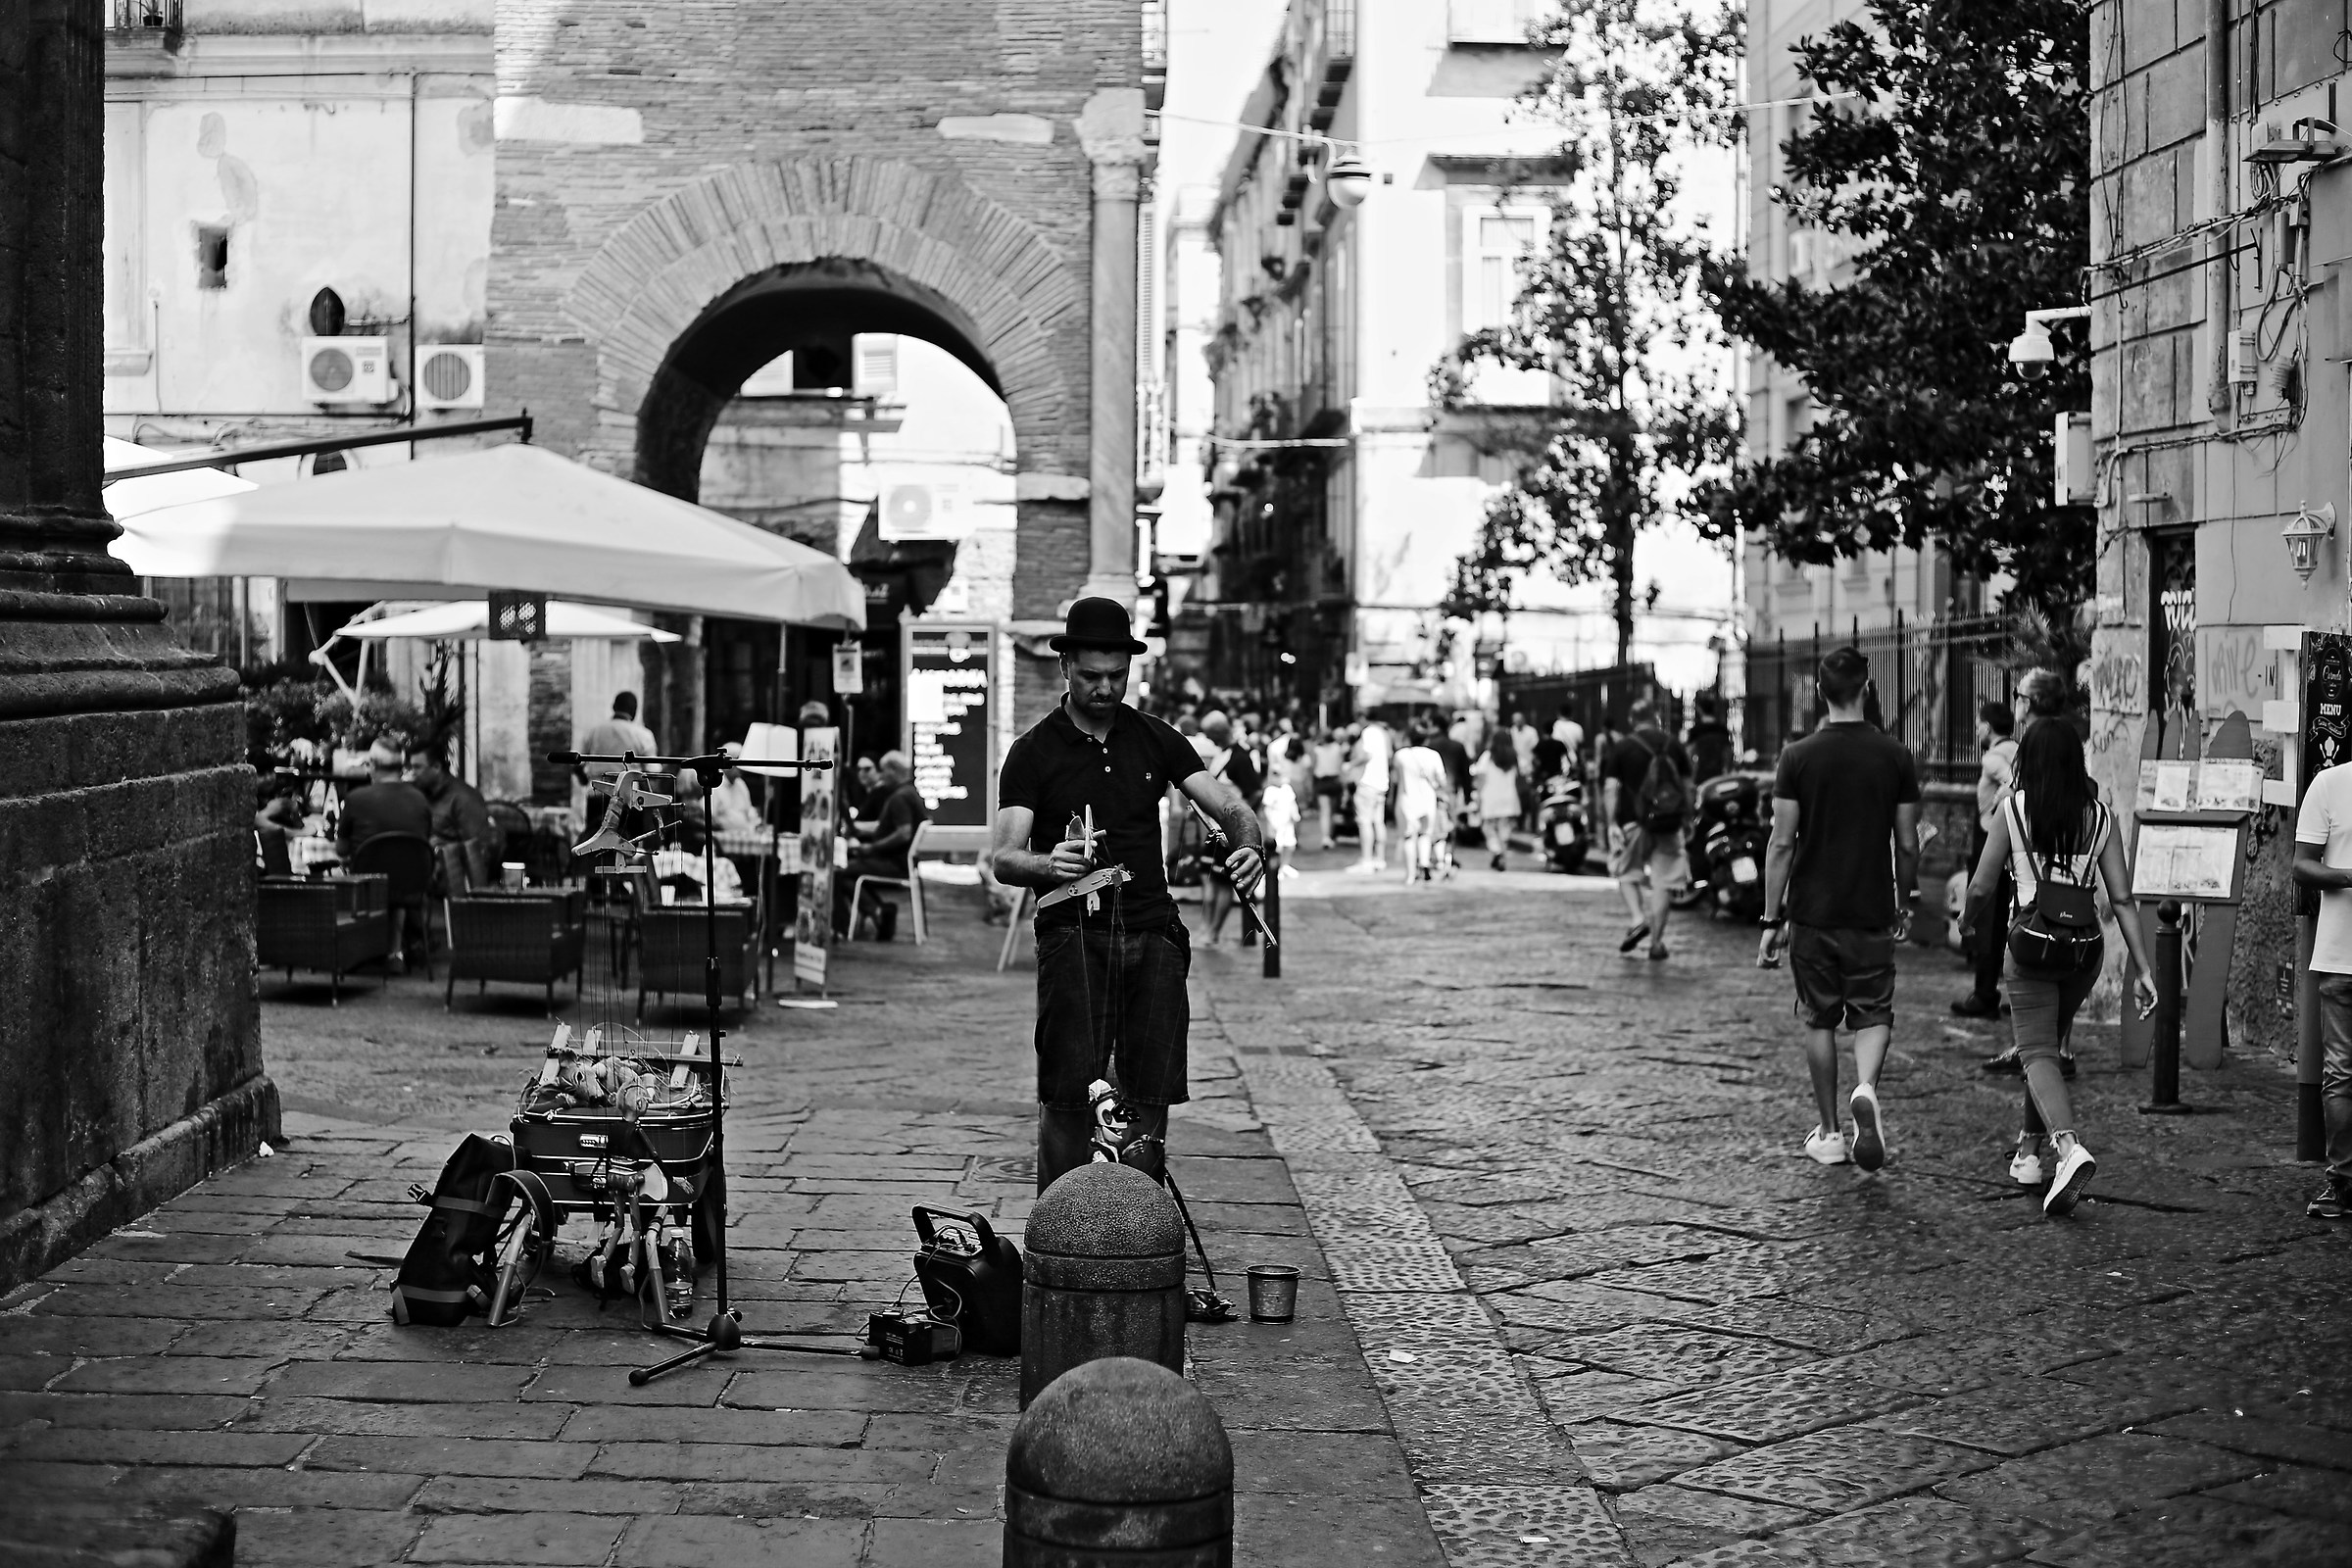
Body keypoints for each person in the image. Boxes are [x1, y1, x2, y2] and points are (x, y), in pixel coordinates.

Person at [989, 597, 1263, 1193]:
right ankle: (1057, 1241)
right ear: (1065, 667)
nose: (1105, 688)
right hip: (1072, 938)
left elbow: (1232, 806)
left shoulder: (1156, 738)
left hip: (1154, 934)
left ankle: (1137, 1239)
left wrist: (1248, 846)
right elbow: (1004, 858)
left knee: (1149, 1098)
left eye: (1117, 676)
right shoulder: (1033, 751)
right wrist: (1046, 863)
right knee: (1065, 1097)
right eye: (1091, 676)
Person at [1966, 719, 2156, 1216]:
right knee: (2046, 1045)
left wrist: (1966, 920)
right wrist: (2143, 969)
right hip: (2083, 951)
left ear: (2026, 760)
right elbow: (2121, 897)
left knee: (2034, 1051)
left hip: (2031, 946)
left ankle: (2068, 1149)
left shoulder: (2012, 811)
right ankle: (2028, 1154)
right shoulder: (2101, 816)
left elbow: (1984, 887)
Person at [1757, 648, 1921, 1171]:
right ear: (1867, 686)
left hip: (1813, 911)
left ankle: (1829, 1133)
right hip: (1871, 906)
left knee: (1819, 1019)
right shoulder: (1894, 754)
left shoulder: (1797, 756)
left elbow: (1781, 844)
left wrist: (1770, 919)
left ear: (1822, 694)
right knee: (1873, 1010)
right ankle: (1866, 1088)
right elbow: (1908, 842)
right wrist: (1904, 901)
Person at [1982, 668, 2078, 1073]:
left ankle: (2040, 1049)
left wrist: (2004, 803)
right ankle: (2051, 1047)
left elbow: (2023, 801)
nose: (2015, 701)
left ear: (2031, 703)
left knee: (2030, 952)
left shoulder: (2036, 748)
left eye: (2019, 694)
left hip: (2036, 866)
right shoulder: (2063, 742)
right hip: (2058, 867)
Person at [2294, 750, 2352, 1221]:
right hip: (2340, 956)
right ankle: (2342, 1180)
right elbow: (2301, 864)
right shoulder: (2329, 784)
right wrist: (2350, 876)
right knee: (2341, 1073)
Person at [1601, 698, 1690, 961]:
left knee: (1626, 871)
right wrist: (1686, 818)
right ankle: (1656, 943)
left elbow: (1610, 788)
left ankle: (1638, 918)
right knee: (1664, 881)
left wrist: (1611, 823)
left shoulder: (1623, 747)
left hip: (1634, 822)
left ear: (1632, 720)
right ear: (1656, 718)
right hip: (1669, 821)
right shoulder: (1672, 744)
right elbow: (1687, 785)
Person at [1952, 701, 2020, 1018]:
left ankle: (1984, 993)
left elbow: (2014, 784)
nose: (1977, 729)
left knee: (1986, 916)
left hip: (1992, 838)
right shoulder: (2017, 748)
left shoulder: (1994, 756)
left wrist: (1993, 807)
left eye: (1979, 723)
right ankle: (1994, 990)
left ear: (1988, 727)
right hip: (2014, 840)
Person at [337, 740, 434, 964]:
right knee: (398, 871)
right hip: (411, 887)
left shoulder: (356, 799)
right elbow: (423, 842)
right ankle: (394, 950)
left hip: (366, 885)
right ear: (402, 767)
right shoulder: (420, 800)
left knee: (364, 873)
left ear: (372, 765)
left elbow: (341, 849)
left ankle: (354, 947)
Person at [836, 751, 927, 940]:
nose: (881, 775)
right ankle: (879, 910)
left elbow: (903, 833)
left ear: (893, 771)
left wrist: (872, 848)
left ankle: (875, 912)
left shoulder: (899, 798)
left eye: (883, 770)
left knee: (840, 871)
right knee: (848, 869)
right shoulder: (910, 793)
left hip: (894, 863)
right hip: (905, 862)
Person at [1197, 711, 1263, 945]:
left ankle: (1213, 933)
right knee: (1210, 880)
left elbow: (1255, 792)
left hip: (1229, 834)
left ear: (1218, 733)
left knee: (1224, 882)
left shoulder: (1240, 758)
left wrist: (1238, 823)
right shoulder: (1222, 755)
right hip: (1214, 830)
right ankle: (1206, 930)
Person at [409, 748, 500, 890]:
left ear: (436, 767)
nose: (413, 773)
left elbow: (480, 851)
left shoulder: (464, 799)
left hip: (452, 879)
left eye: (417, 767)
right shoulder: (423, 793)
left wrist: (440, 848)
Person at [577, 692, 660, 832]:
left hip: (598, 797)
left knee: (596, 844)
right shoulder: (642, 735)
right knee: (627, 846)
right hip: (629, 799)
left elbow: (577, 766)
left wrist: (586, 780)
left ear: (614, 706)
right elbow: (652, 773)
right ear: (634, 711)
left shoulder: (594, 732)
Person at [1394, 720, 1450, 884]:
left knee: (1408, 837)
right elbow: (1442, 780)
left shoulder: (1401, 755)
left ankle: (1411, 874)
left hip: (1407, 800)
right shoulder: (1433, 755)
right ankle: (1424, 864)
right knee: (1425, 835)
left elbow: (1396, 778)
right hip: (1428, 801)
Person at [1348, 717, 1393, 872]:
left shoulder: (1368, 733)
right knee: (1378, 822)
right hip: (1381, 782)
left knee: (1365, 822)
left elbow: (1366, 755)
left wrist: (1350, 765)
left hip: (1368, 782)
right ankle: (1379, 859)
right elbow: (1388, 755)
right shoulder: (1384, 734)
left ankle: (1366, 859)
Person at [1473, 731, 1521, 871]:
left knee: (1488, 828)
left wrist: (1477, 796)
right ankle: (1502, 856)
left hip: (1490, 797)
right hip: (1509, 798)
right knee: (1504, 829)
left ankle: (1496, 851)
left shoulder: (1488, 757)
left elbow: (1480, 778)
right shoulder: (1513, 757)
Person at [1686, 694, 1734, 786]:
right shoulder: (1722, 730)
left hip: (1700, 776)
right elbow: (1728, 754)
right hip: (1719, 776)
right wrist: (1728, 772)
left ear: (1700, 710)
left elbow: (1689, 754)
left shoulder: (1696, 731)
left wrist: (1691, 775)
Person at [1311, 726, 1347, 849]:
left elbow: (1313, 766)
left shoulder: (1317, 750)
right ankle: (1330, 836)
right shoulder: (1337, 748)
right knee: (1332, 811)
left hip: (1322, 781)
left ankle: (1326, 837)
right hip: (1335, 781)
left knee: (1325, 811)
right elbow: (1340, 766)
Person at [1552, 704, 1586, 771]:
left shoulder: (1555, 726)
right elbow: (1581, 747)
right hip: (1573, 761)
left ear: (1559, 713)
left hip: (1557, 762)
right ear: (1571, 713)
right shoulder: (1577, 727)